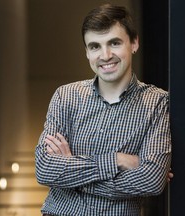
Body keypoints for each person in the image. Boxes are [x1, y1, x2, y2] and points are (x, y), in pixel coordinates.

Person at [35, 3, 172, 216]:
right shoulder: (66, 96)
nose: (105, 55)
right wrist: (119, 160)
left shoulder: (157, 102)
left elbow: (152, 180)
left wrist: (71, 173)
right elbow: (45, 169)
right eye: (95, 46)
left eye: (114, 43)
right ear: (87, 52)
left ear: (134, 43)